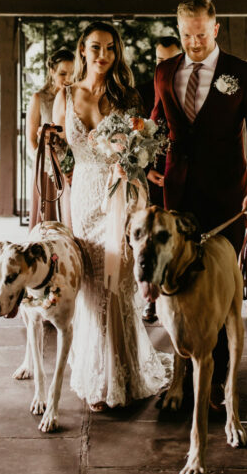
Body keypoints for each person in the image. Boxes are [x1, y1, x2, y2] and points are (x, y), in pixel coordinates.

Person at [149, 0, 247, 407]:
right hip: (177, 193)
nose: (194, 42)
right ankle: (181, 373)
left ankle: (220, 376)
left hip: (226, 199)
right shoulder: (165, 72)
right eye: (187, 35)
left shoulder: (242, 73)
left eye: (201, 34)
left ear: (216, 29)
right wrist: (145, 157)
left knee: (219, 287)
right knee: (175, 282)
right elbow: (158, 124)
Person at [53, 21, 170, 410]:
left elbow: (139, 145)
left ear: (116, 53)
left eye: (109, 49)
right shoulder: (66, 95)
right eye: (95, 47)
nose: (102, 55)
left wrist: (129, 163)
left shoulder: (127, 96)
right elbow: (64, 153)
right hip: (84, 195)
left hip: (122, 192)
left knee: (117, 281)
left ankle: (122, 372)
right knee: (91, 283)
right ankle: (96, 372)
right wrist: (53, 148)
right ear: (82, 49)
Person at [137, 35, 181, 324]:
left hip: (182, 174)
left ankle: (176, 293)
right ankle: (150, 298)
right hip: (153, 176)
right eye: (159, 60)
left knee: (175, 236)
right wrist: (146, 170)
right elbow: (136, 138)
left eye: (170, 60)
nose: (163, 65)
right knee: (150, 238)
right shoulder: (145, 90)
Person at [27, 47, 74, 230]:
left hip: (71, 172)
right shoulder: (39, 99)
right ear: (52, 72)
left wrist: (72, 165)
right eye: (63, 73)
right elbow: (31, 141)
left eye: (72, 73)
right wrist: (46, 164)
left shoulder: (76, 99)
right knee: (47, 223)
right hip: (46, 172)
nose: (68, 79)